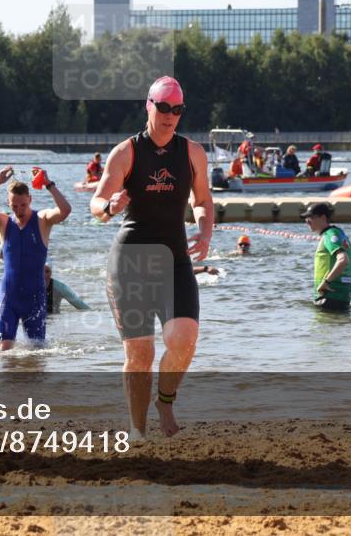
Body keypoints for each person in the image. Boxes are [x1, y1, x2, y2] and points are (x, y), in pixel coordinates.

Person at [90, 76, 214, 439]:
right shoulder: (127, 152)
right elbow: (95, 202)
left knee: (184, 339)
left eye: (177, 109)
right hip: (131, 262)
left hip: (174, 259)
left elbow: (203, 200)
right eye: (163, 107)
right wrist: (109, 206)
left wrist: (205, 230)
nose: (170, 115)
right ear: (149, 106)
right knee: (140, 354)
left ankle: (165, 400)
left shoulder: (192, 153)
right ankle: (137, 430)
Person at [0, 167, 71, 350]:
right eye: (14, 206)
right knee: (4, 350)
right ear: (8, 203)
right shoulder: (3, 222)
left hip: (35, 298)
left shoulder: (42, 219)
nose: (19, 210)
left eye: (23, 205)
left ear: (30, 200)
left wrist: (49, 184)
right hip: (9, 296)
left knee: (37, 354)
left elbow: (65, 210)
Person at [301, 203, 351, 313]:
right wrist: (342, 281)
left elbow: (343, 260)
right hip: (343, 297)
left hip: (328, 297)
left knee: (323, 329)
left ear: (323, 218)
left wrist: (327, 282)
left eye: (311, 217)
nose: (307, 220)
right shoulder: (341, 235)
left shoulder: (330, 235)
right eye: (306, 218)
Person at [0, 265, 91, 314]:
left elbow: (80, 305)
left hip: (53, 319)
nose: (44, 275)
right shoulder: (26, 284)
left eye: (47, 271)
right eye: (41, 271)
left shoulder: (60, 287)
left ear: (51, 272)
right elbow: (5, 296)